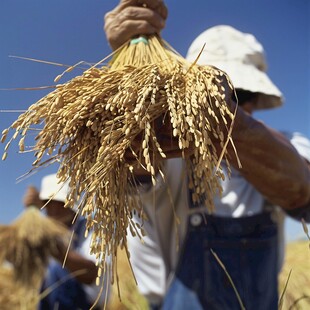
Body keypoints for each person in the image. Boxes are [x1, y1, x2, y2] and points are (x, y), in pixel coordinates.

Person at [104, 2, 310, 310]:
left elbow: (301, 189)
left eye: (241, 95)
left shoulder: (288, 143)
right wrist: (133, 93)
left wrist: (230, 126)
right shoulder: (169, 153)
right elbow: (138, 172)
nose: (231, 103)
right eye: (222, 93)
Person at [23, 173, 109, 310]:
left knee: (57, 269)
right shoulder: (45, 231)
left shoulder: (91, 229)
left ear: (71, 205)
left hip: (87, 305)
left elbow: (92, 273)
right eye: (49, 203)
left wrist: (59, 252)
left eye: (60, 203)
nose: (54, 209)